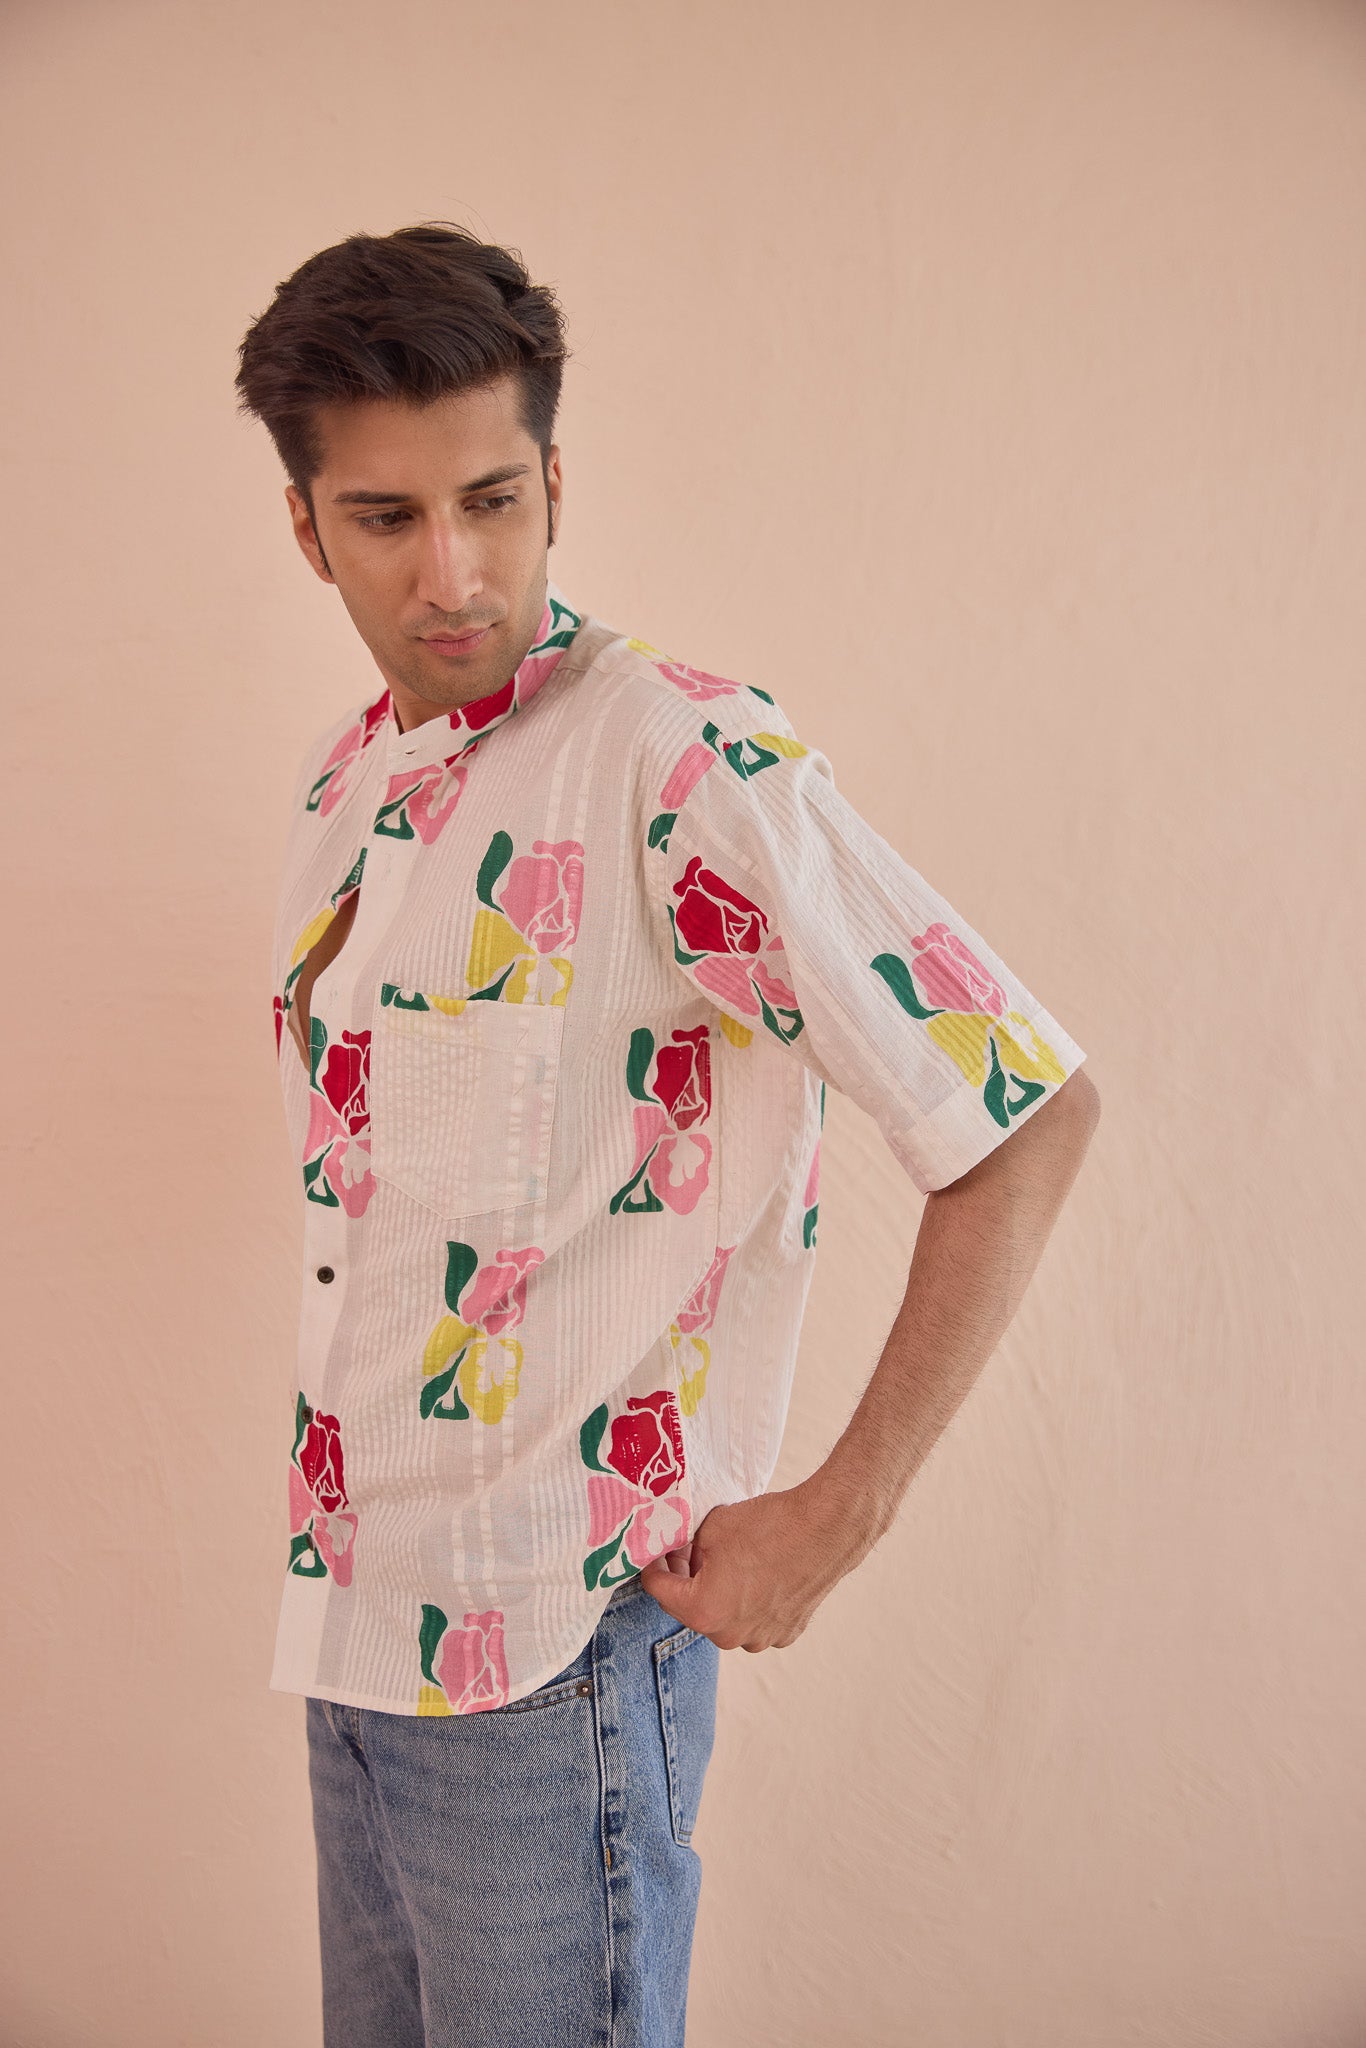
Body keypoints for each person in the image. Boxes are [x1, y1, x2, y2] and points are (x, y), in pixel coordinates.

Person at [234, 220, 1100, 2048]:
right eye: (385, 518)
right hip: (356, 1632)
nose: (453, 572)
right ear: (306, 528)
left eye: (492, 499)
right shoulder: (345, 782)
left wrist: (837, 1515)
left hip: (551, 1660)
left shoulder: (680, 760)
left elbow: (1019, 1113)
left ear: (555, 481)